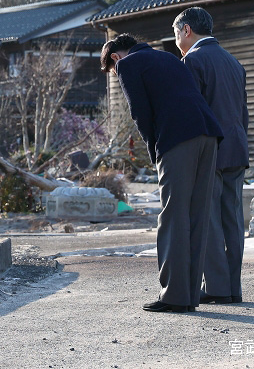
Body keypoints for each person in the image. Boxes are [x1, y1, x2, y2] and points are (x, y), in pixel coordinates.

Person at [100, 33, 223, 313]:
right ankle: (190, 294)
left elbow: (140, 114)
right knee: (197, 215)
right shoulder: (168, 57)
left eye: (112, 69)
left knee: (172, 215)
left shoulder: (128, 65)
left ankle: (174, 296)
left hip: (178, 138)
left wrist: (155, 151)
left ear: (116, 58)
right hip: (209, 134)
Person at [173, 7, 249, 304]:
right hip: (237, 148)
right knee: (233, 220)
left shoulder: (192, 61)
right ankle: (233, 288)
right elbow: (243, 113)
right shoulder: (234, 62)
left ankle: (217, 287)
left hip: (210, 151)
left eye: (176, 33)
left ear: (187, 30)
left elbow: (192, 113)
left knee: (209, 221)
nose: (176, 39)